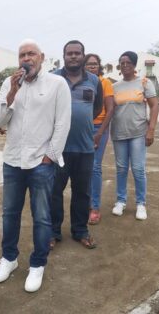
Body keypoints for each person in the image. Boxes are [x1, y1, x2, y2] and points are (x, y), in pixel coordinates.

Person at [0, 39, 71, 292]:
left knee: (42, 217)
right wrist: (11, 93)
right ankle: (9, 259)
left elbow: (62, 124)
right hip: (13, 161)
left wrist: (49, 156)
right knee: (9, 215)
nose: (26, 59)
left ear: (42, 57)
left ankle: (37, 264)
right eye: (22, 55)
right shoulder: (9, 83)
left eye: (31, 54)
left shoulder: (57, 84)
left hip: (41, 163)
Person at [51, 41, 103, 250]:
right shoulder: (53, 78)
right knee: (54, 192)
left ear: (83, 56)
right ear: (63, 56)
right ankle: (53, 232)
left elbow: (97, 107)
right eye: (69, 53)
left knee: (82, 192)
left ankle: (80, 231)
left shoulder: (93, 80)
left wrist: (82, 121)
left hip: (84, 148)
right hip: (58, 148)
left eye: (77, 53)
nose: (73, 56)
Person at [110, 51, 159, 220]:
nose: (125, 65)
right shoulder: (115, 87)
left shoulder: (144, 82)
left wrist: (151, 130)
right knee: (121, 169)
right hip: (118, 133)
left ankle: (140, 204)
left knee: (138, 169)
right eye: (122, 63)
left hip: (138, 132)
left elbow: (154, 106)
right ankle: (121, 201)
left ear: (134, 65)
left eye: (128, 62)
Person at [85, 54, 114, 225]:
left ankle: (95, 207)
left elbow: (110, 109)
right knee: (83, 168)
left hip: (98, 129)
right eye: (88, 64)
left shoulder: (105, 83)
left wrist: (100, 133)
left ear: (99, 66)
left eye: (94, 64)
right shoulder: (81, 82)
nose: (91, 67)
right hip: (82, 129)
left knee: (95, 167)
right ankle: (85, 204)